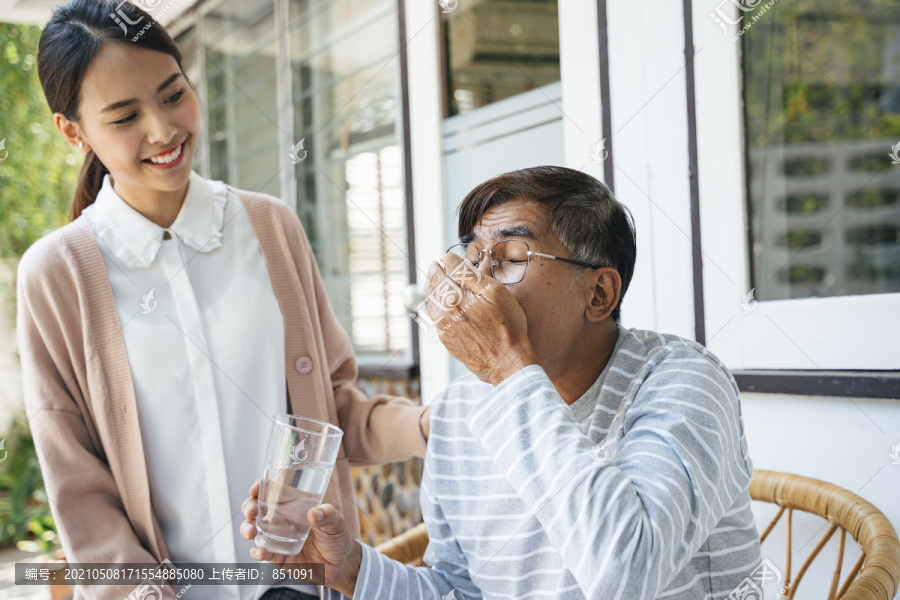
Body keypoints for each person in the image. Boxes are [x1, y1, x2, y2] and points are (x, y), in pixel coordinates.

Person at [17, 2, 430, 599]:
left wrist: (430, 425)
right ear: (73, 131)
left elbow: (332, 412)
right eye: (126, 115)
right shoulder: (57, 274)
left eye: (172, 93)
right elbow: (74, 477)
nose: (163, 130)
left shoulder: (270, 227)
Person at [240, 166, 762, 599]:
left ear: (599, 294)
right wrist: (350, 570)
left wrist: (510, 371)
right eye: (471, 259)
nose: (477, 283)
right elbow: (458, 591)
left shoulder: (683, 382)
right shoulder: (462, 411)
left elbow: (626, 570)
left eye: (511, 259)